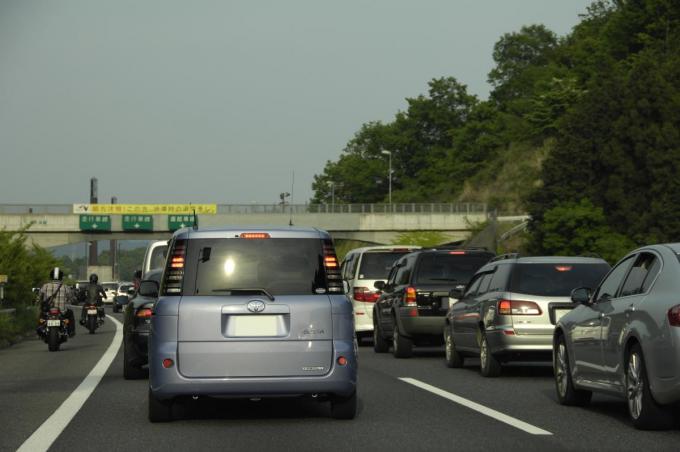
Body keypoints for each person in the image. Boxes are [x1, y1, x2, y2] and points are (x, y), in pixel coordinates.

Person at [39, 267, 76, 337]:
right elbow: (72, 299)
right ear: (61, 277)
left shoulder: (45, 286)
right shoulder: (65, 287)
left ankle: (40, 329)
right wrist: (73, 300)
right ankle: (71, 331)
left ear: (51, 276)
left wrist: (38, 301)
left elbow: (39, 297)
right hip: (62, 312)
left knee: (41, 315)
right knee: (70, 313)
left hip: (48, 312)